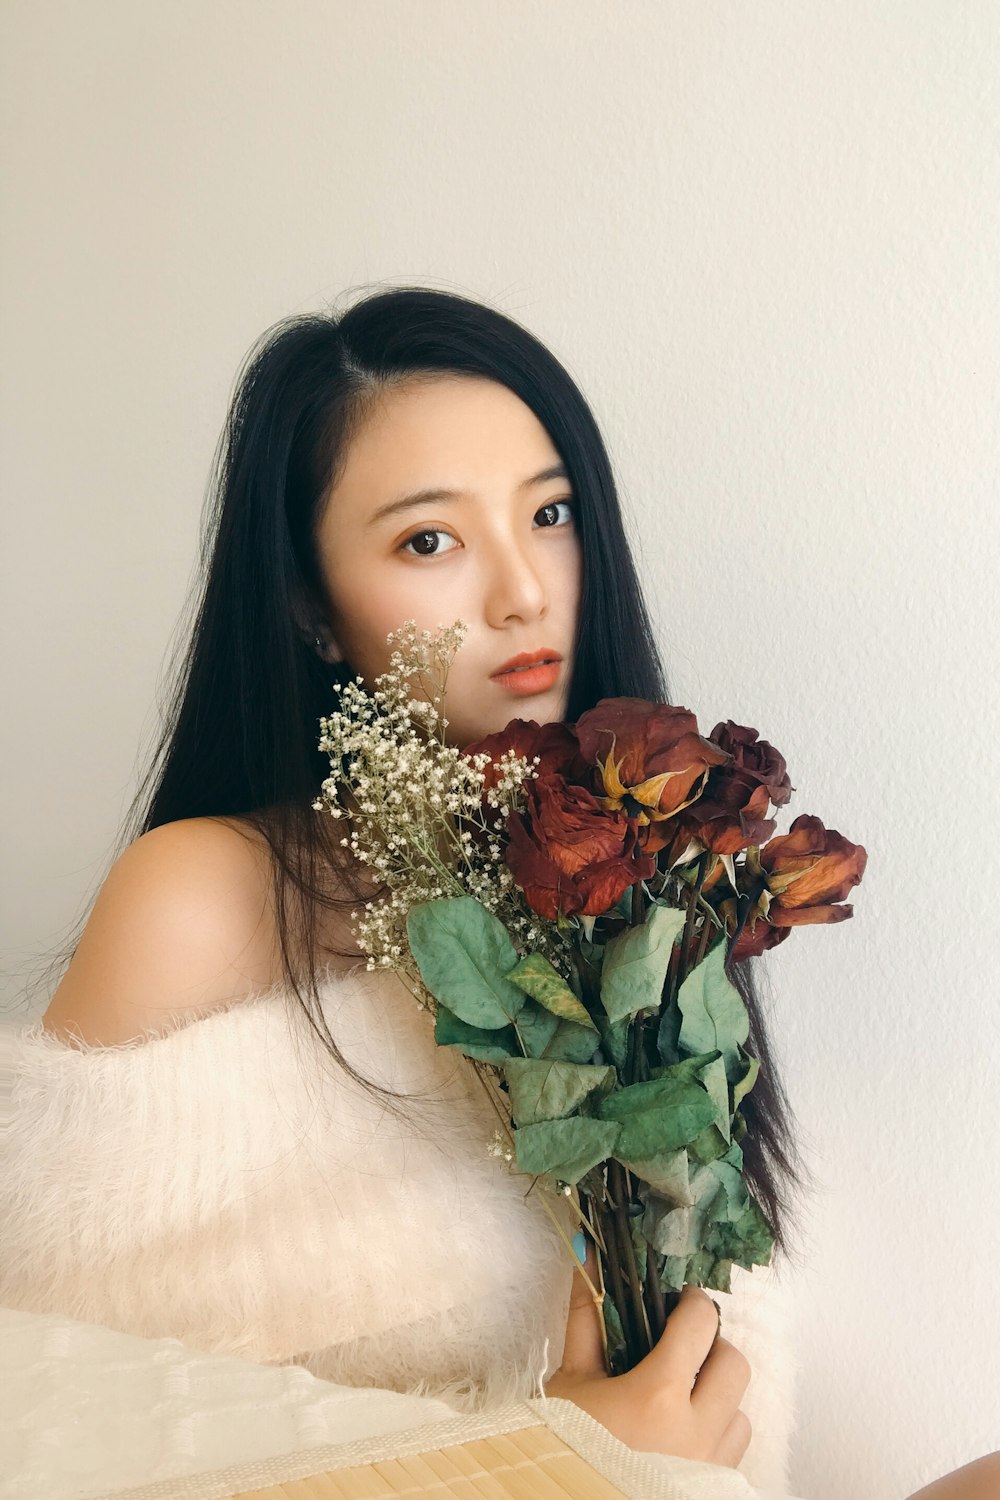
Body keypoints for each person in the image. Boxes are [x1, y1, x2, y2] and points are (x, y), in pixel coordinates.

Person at [3, 287, 995, 1499]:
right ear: (312, 610)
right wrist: (555, 1468)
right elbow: (60, 1419)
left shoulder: (648, 900)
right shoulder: (204, 899)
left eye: (553, 512)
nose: (522, 592)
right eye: (430, 540)